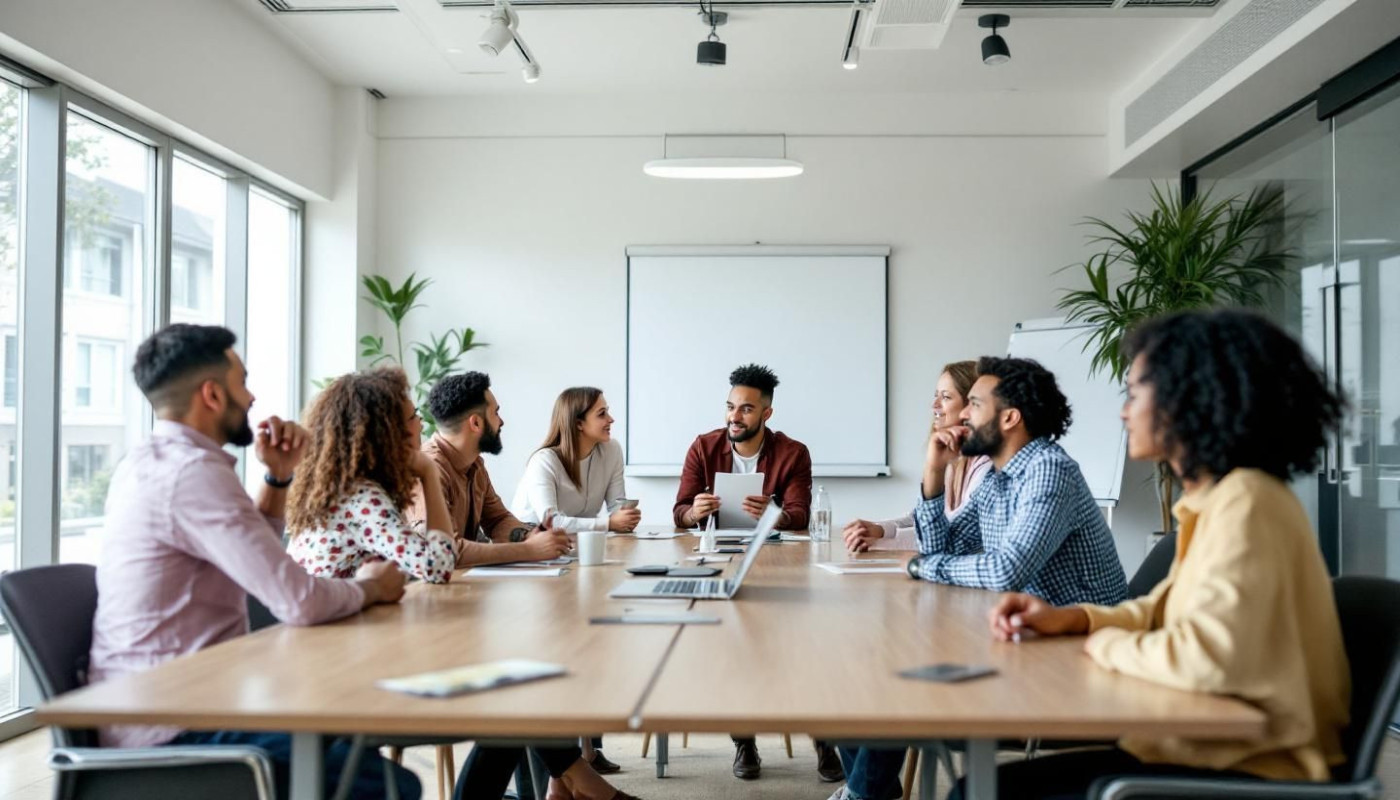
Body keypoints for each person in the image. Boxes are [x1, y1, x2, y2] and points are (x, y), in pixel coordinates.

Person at [957, 310, 1349, 800]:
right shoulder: (1216, 500)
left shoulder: (1248, 502)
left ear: (1191, 400)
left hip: (1248, 768)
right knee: (978, 786)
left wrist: (1099, 647)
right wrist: (1074, 620)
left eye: (1135, 394)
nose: (1124, 412)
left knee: (982, 791)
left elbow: (1204, 658)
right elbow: (1161, 610)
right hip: (1193, 750)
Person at [88, 324, 418, 800]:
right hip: (176, 729)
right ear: (212, 394)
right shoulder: (191, 474)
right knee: (389, 786)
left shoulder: (153, 462)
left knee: (349, 749)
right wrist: (373, 587)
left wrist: (278, 478)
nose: (252, 394)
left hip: (178, 704)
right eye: (242, 381)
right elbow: (298, 601)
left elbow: (248, 566)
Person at [833, 357, 1128, 800]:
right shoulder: (1000, 478)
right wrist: (933, 474)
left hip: (1076, 657)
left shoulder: (1049, 470)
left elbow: (1005, 568)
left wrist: (918, 565)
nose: (963, 414)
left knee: (895, 677)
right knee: (866, 667)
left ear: (1009, 418)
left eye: (973, 403)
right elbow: (945, 550)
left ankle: (865, 795)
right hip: (1023, 639)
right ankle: (869, 793)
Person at [672, 364, 833, 782]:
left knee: (807, 643)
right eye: (730, 407)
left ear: (766, 414)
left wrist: (773, 514)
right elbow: (679, 512)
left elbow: (800, 515)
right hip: (721, 558)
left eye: (745, 409)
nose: (734, 417)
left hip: (778, 560)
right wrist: (696, 511)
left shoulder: (793, 452)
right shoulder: (703, 447)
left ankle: (824, 738)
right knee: (732, 644)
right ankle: (744, 741)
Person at [287, 368, 456, 583]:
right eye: (413, 417)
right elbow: (438, 568)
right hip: (338, 617)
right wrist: (430, 473)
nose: (421, 424)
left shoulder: (339, 489)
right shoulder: (361, 497)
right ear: (388, 432)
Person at [408, 371, 572, 568]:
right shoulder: (428, 470)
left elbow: (497, 520)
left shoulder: (474, 463)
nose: (501, 421)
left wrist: (530, 535)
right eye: (496, 413)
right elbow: (445, 551)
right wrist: (530, 549)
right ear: (476, 423)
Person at [842, 361, 991, 552]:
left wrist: (884, 544)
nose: (934, 405)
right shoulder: (953, 457)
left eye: (945, 397)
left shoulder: (986, 467)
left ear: (971, 406)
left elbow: (949, 537)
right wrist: (879, 530)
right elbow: (921, 517)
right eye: (935, 396)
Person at [511, 387, 641, 533]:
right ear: (578, 424)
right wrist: (609, 523)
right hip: (531, 537)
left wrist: (625, 516)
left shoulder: (612, 450)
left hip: (576, 538)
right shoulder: (543, 461)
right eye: (602, 414)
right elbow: (551, 522)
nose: (611, 419)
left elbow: (615, 507)